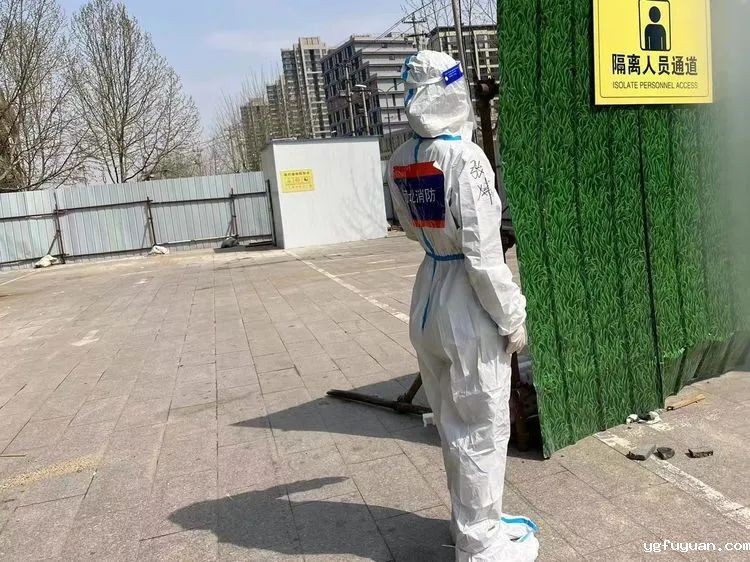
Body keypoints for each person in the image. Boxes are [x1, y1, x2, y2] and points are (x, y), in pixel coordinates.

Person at [387, 50, 539, 562]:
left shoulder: (401, 158)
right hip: (466, 310)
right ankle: (480, 544)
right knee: (482, 428)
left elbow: (411, 229)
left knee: (453, 425)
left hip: (428, 296)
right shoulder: (466, 159)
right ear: (451, 90)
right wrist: (512, 316)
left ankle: (470, 522)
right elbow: (483, 257)